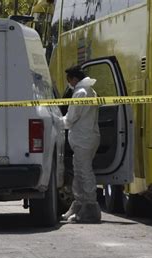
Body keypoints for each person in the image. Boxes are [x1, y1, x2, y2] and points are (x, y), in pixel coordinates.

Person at [60, 66, 101, 223]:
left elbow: (70, 119)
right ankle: (79, 205)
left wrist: (55, 121)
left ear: (74, 79)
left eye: (69, 80)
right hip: (85, 138)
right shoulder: (89, 91)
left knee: (84, 173)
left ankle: (90, 208)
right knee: (79, 173)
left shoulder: (80, 92)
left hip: (83, 139)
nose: (69, 84)